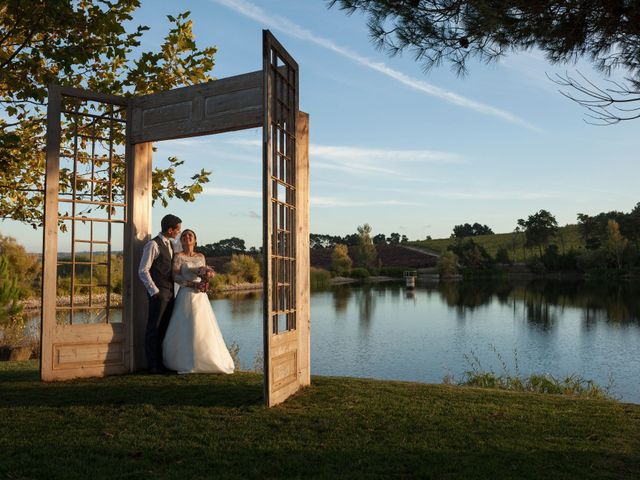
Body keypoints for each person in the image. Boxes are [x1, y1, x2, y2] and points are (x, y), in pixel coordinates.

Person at [162, 229, 235, 374]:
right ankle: (184, 360)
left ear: (195, 240)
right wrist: (192, 284)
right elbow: (175, 276)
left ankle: (207, 359)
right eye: (183, 236)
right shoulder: (178, 256)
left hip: (200, 296)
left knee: (203, 327)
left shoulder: (201, 256)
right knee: (186, 327)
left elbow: (204, 276)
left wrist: (206, 280)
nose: (186, 237)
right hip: (186, 294)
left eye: (190, 235)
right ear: (181, 241)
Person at [138, 214, 182, 374]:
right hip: (159, 293)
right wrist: (154, 291)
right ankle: (153, 365)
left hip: (170, 293)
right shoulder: (153, 245)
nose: (179, 232)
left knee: (164, 328)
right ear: (170, 230)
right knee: (154, 329)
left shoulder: (171, 244)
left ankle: (162, 364)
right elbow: (143, 270)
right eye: (177, 229)